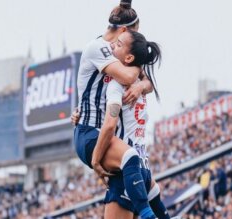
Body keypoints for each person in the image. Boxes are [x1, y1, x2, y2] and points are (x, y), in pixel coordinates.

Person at [74, 1, 156, 218]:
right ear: (124, 31)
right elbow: (130, 75)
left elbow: (148, 84)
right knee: (130, 158)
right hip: (93, 132)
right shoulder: (100, 49)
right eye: (134, 35)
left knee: (145, 178)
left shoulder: (125, 56)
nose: (136, 40)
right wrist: (140, 61)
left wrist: (139, 86)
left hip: (114, 137)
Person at [101, 30, 170, 219]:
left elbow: (109, 123)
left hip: (127, 174)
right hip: (144, 172)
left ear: (129, 57)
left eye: (119, 44)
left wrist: (96, 159)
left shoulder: (117, 85)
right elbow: (148, 83)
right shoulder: (141, 81)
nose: (113, 45)